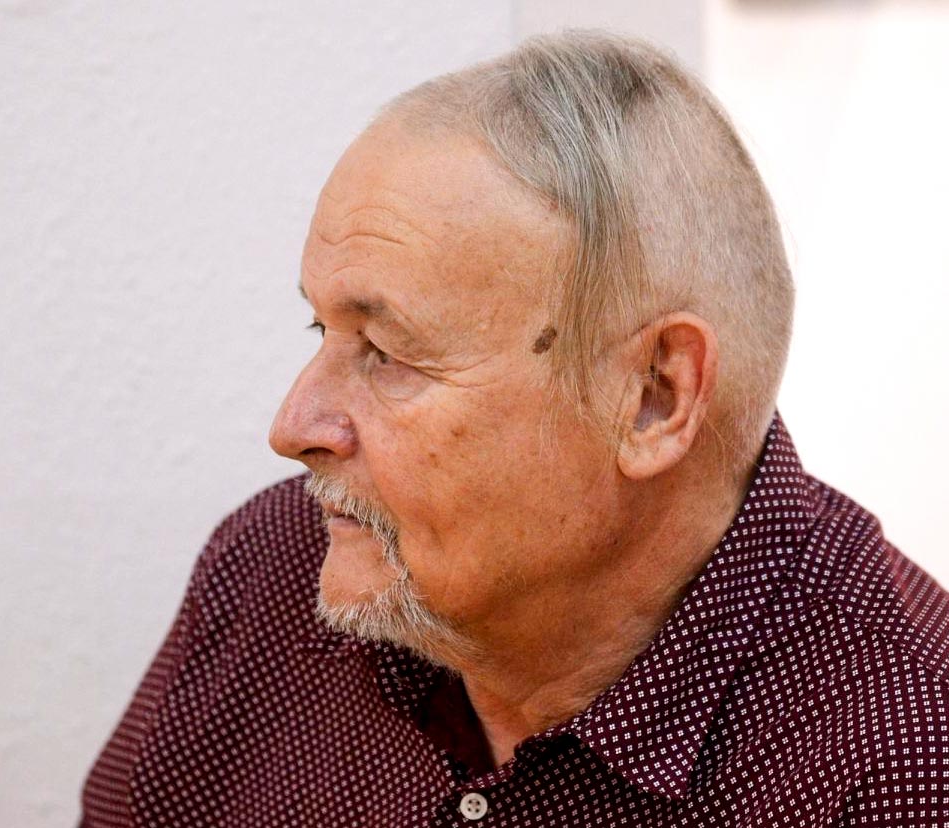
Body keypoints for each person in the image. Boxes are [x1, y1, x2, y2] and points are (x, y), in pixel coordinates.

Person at [79, 31, 949, 827]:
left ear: (652, 397)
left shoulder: (903, 757)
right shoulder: (267, 573)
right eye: (322, 329)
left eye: (387, 352)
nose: (292, 426)